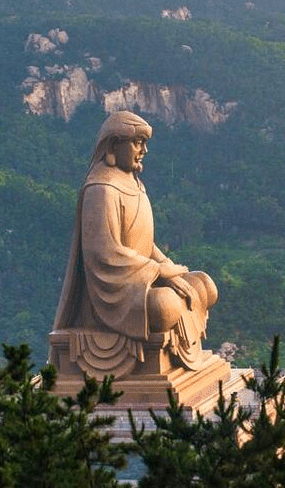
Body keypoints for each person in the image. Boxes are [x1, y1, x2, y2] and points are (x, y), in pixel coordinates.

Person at [52, 110, 218, 377]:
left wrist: (167, 266)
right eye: (137, 143)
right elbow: (104, 254)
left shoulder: (135, 183)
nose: (144, 151)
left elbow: (145, 244)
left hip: (143, 278)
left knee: (203, 285)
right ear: (113, 144)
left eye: (144, 143)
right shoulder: (101, 189)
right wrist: (159, 273)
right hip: (115, 294)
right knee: (165, 305)